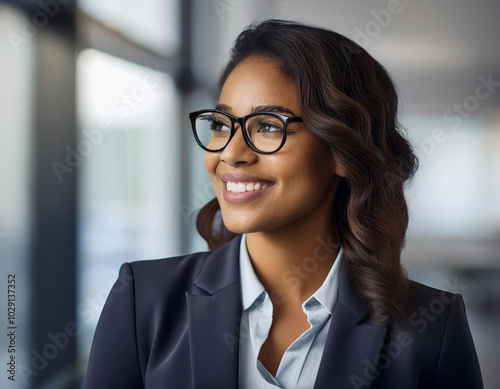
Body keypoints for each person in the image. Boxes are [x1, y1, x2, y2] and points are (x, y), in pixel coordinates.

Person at [84, 19, 483, 389]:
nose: (231, 153)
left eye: (269, 126)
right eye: (222, 125)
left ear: (343, 152)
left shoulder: (431, 326)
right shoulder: (143, 301)